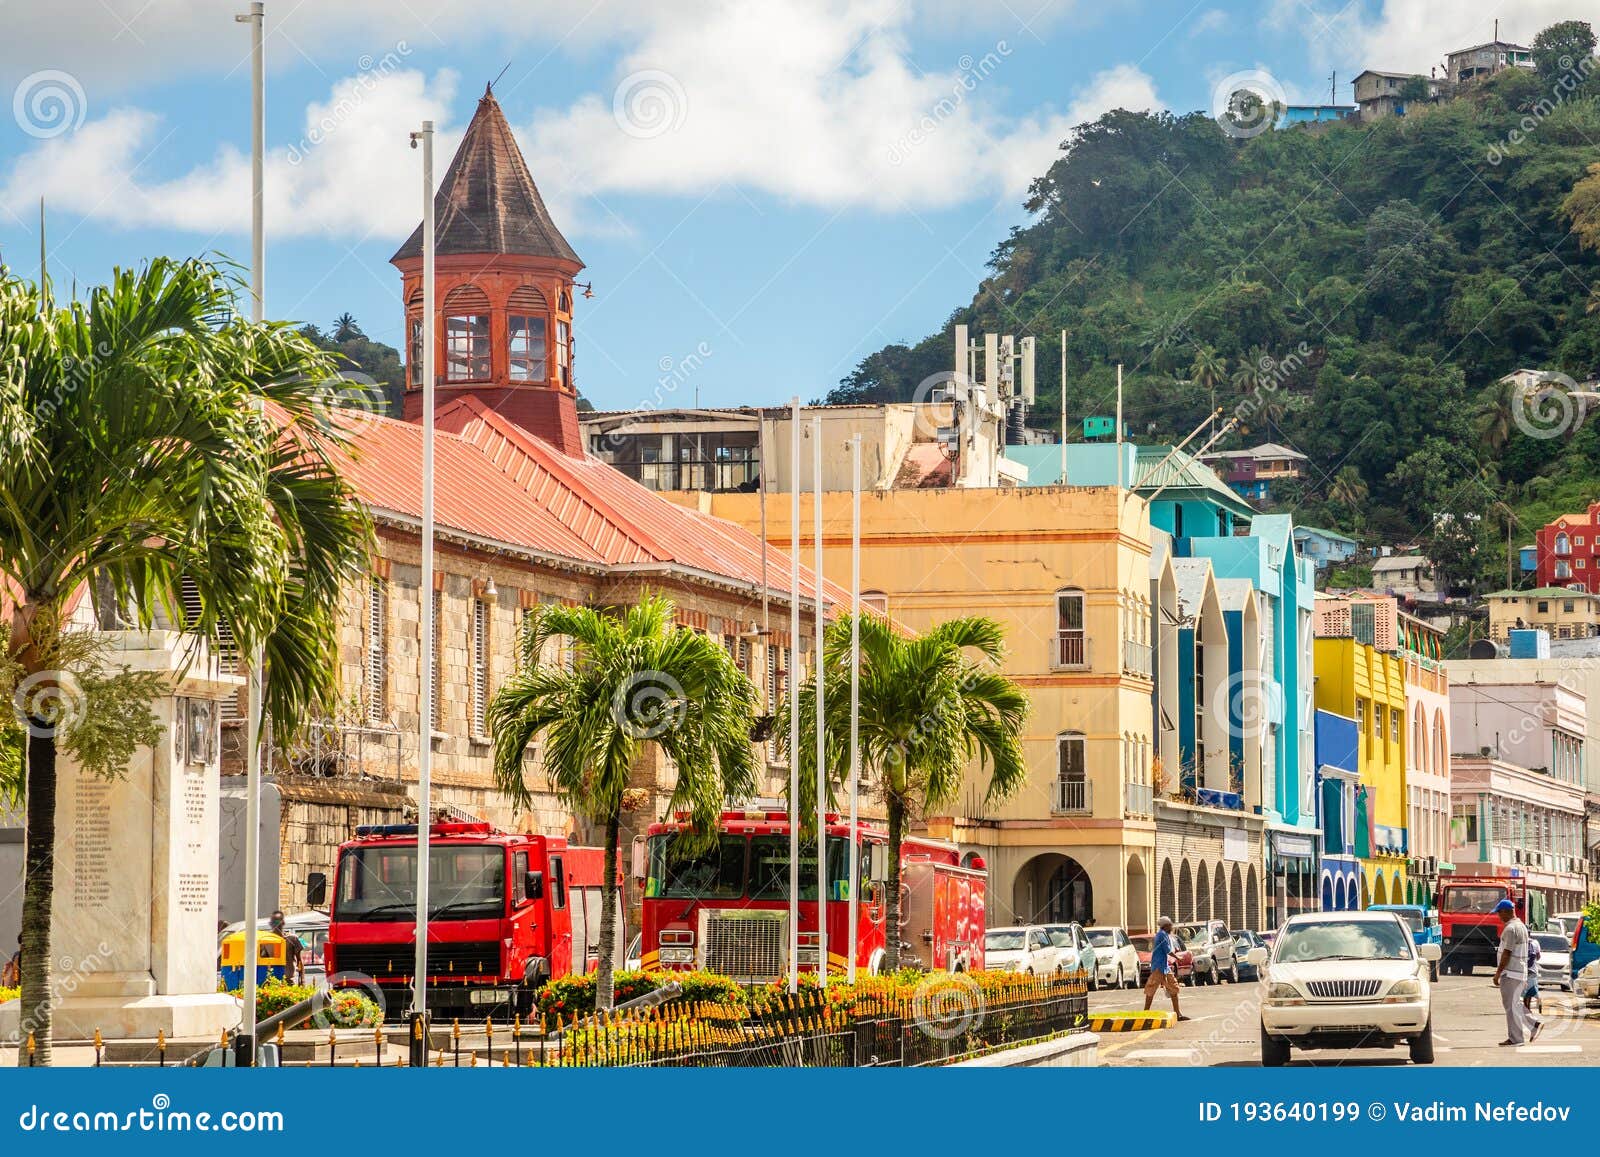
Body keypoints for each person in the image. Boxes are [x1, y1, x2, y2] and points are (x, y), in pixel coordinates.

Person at [1491, 898, 1540, 1045]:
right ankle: (1533, 1025)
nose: (1498, 916)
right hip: (1520, 971)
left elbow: (1507, 952)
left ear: (1506, 912)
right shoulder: (1522, 926)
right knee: (1515, 1003)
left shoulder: (1511, 929)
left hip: (1511, 972)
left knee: (1510, 1007)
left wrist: (1498, 973)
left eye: (1499, 913)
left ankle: (1516, 1038)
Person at [1142, 915, 1189, 1021]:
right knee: (1151, 989)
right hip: (1159, 966)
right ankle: (1145, 1013)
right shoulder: (1161, 935)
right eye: (1170, 925)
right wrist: (1178, 957)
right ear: (1166, 926)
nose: (1172, 927)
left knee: (1173, 988)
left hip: (1165, 966)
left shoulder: (1164, 935)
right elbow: (1167, 950)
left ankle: (1177, 1013)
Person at [269, 910, 304, 985]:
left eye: (279, 920)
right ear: (271, 923)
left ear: (283, 922)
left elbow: (299, 961)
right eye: (274, 921)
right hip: (272, 981)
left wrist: (302, 980)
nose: (277, 923)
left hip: (289, 980)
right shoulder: (267, 940)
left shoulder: (292, 939)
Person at [1523, 933, 1542, 1016]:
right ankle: (1529, 1006)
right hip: (1533, 970)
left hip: (1523, 970)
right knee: (1530, 990)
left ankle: (1526, 1008)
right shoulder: (1535, 942)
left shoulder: (1520, 943)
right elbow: (1538, 957)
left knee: (1524, 990)